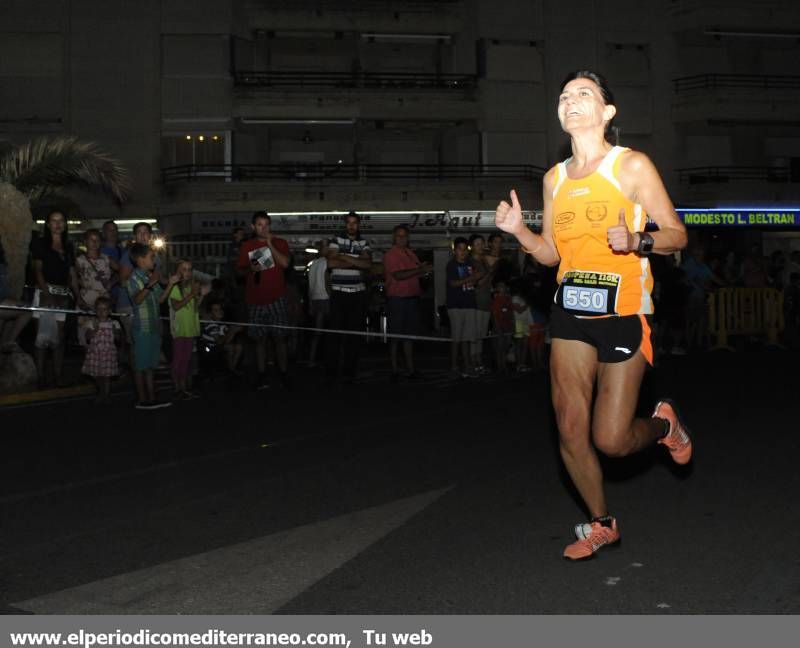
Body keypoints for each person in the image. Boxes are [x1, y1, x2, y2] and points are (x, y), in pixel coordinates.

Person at [495, 70, 692, 560]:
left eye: (584, 94)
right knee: (568, 424)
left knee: (612, 439)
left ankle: (665, 426)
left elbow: (677, 234)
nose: (571, 101)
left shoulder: (631, 167)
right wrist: (521, 232)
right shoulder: (554, 178)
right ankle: (601, 522)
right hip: (572, 313)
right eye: (564, 96)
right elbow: (550, 255)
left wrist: (639, 240)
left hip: (625, 312)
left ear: (607, 112)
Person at [236, 211, 291, 390]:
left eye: (266, 224)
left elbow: (285, 264)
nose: (264, 228)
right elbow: (239, 271)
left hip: (277, 298)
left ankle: (283, 373)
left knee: (280, 339)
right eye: (260, 224)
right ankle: (261, 374)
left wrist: (270, 245)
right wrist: (251, 269)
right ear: (253, 227)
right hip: (255, 299)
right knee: (259, 340)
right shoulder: (247, 245)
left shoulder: (280, 243)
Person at [30, 210, 80, 388]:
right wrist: (47, 294)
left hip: (63, 295)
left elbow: (72, 273)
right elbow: (38, 271)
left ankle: (58, 377)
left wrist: (78, 296)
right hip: (45, 293)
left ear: (65, 224)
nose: (57, 224)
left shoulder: (68, 246)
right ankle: (41, 377)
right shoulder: (40, 244)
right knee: (41, 338)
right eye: (54, 220)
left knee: (59, 338)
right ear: (48, 224)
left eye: (61, 220)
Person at [126, 242, 178, 410]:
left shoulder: (149, 277)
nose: (154, 260)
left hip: (153, 327)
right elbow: (136, 300)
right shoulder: (134, 278)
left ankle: (151, 398)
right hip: (142, 328)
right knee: (141, 366)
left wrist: (170, 283)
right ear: (140, 260)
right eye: (151, 257)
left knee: (149, 366)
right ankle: (142, 399)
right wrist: (150, 284)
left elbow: (160, 299)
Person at [325, 212, 373, 383]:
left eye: (354, 223)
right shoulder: (335, 240)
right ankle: (332, 371)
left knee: (354, 335)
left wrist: (343, 256)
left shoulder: (364, 242)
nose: (351, 226)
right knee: (335, 335)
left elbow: (367, 264)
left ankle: (349, 371)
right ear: (345, 224)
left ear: (359, 225)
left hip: (358, 294)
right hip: (338, 293)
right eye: (349, 223)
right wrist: (355, 260)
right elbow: (331, 263)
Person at [383, 225, 432, 381]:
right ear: (394, 237)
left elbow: (418, 272)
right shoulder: (390, 255)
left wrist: (424, 273)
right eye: (399, 236)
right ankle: (394, 369)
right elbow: (398, 275)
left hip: (412, 298)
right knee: (395, 336)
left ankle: (410, 368)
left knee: (409, 336)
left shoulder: (411, 254)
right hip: (397, 299)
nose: (402, 238)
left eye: (404, 236)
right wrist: (420, 271)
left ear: (408, 237)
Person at [446, 237, 482, 378]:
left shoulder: (471, 263)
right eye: (459, 249)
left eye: (464, 249)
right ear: (455, 250)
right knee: (456, 338)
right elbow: (453, 284)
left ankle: (467, 366)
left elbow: (481, 273)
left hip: (469, 303)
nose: (462, 252)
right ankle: (455, 366)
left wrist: (476, 275)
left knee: (467, 337)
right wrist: (471, 278)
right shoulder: (451, 265)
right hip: (455, 305)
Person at [169, 259, 202, 399]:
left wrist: (199, 295)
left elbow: (195, 308)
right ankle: (177, 388)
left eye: (189, 269)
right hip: (179, 329)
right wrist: (192, 295)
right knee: (178, 360)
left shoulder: (191, 287)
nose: (187, 272)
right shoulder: (175, 287)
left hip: (190, 328)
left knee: (186, 360)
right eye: (184, 269)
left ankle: (183, 388)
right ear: (178, 271)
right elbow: (176, 306)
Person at [75, 228, 115, 346]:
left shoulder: (107, 259)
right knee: (85, 336)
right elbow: (72, 278)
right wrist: (78, 295)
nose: (94, 242)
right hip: (85, 302)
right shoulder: (79, 260)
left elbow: (122, 272)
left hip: (104, 303)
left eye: (97, 240)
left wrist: (112, 282)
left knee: (105, 336)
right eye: (91, 240)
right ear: (85, 242)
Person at [81, 295, 121, 404]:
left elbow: (118, 338)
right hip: (95, 353)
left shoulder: (114, 323)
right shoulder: (92, 322)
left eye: (104, 309)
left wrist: (115, 331)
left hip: (108, 353)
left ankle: (106, 395)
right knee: (96, 375)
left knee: (107, 376)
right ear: (95, 310)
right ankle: (101, 391)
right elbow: (87, 337)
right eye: (99, 309)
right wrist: (94, 330)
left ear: (109, 311)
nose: (101, 312)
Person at [0, 234, 33, 353]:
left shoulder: (2, 265)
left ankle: (7, 343)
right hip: (2, 303)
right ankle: (7, 343)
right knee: (27, 310)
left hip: (3, 301)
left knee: (27, 310)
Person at [469, 234, 494, 373]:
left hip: (485, 301)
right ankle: (474, 362)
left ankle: (479, 361)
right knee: (475, 334)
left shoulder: (484, 260)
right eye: (477, 244)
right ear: (471, 246)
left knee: (482, 334)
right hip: (475, 301)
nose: (480, 246)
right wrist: (489, 273)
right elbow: (476, 283)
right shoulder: (470, 262)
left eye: (481, 243)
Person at [200, 300, 243, 375]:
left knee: (239, 347)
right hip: (210, 347)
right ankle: (231, 370)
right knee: (230, 348)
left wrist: (234, 331)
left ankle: (232, 368)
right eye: (216, 310)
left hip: (220, 345)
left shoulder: (222, 322)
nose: (219, 311)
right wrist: (232, 331)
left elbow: (227, 339)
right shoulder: (211, 325)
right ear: (210, 314)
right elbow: (219, 341)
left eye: (220, 309)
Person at [306, 241, 329, 367]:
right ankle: (328, 359)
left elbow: (309, 286)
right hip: (325, 298)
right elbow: (327, 281)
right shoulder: (327, 262)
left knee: (317, 332)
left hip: (314, 299)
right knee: (329, 331)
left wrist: (310, 303)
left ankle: (311, 359)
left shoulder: (313, 263)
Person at [490, 280, 513, 373]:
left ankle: (504, 365)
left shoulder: (508, 299)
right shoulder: (496, 300)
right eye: (500, 286)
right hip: (499, 327)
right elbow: (494, 315)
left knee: (505, 347)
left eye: (503, 286)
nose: (502, 288)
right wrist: (497, 327)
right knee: (499, 348)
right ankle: (500, 366)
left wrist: (512, 325)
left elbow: (511, 313)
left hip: (507, 327)